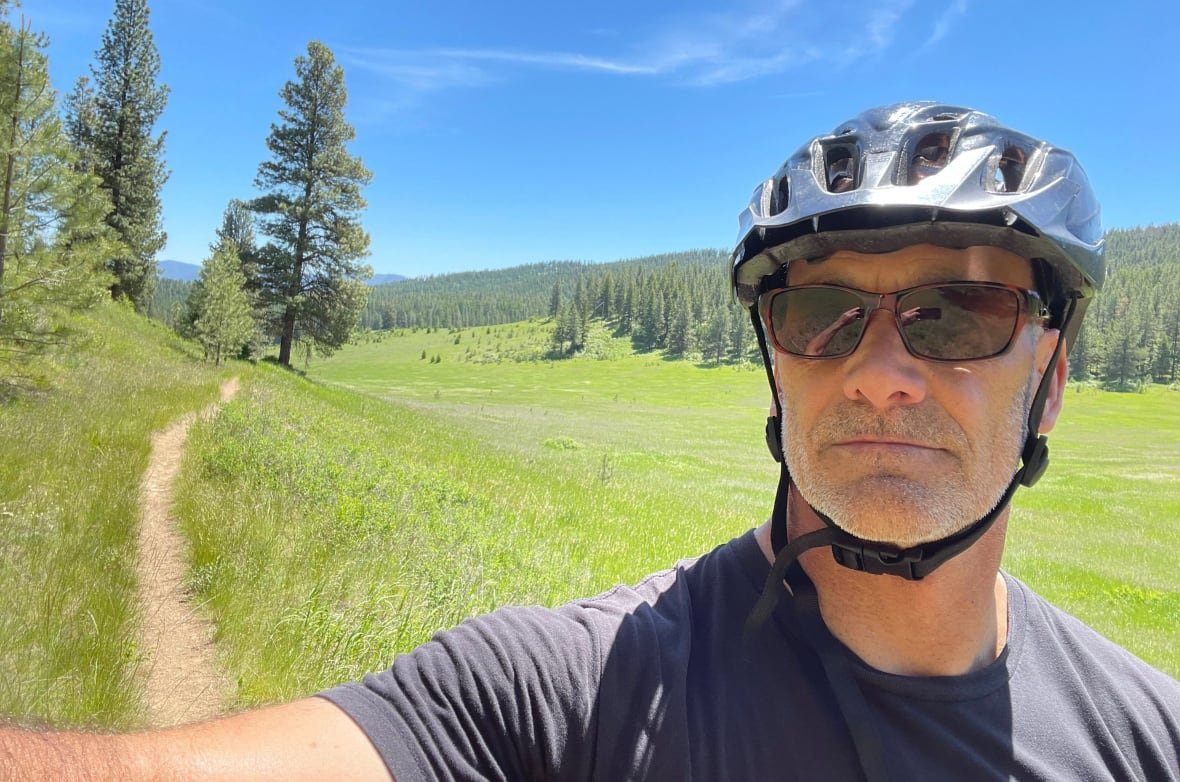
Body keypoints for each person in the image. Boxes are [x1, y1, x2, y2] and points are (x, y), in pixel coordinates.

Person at [2, 101, 1179, 780]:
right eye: (818, 313)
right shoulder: (592, 688)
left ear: (1054, 375)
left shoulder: (1146, 735)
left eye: (957, 314)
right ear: (772, 361)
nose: (878, 373)